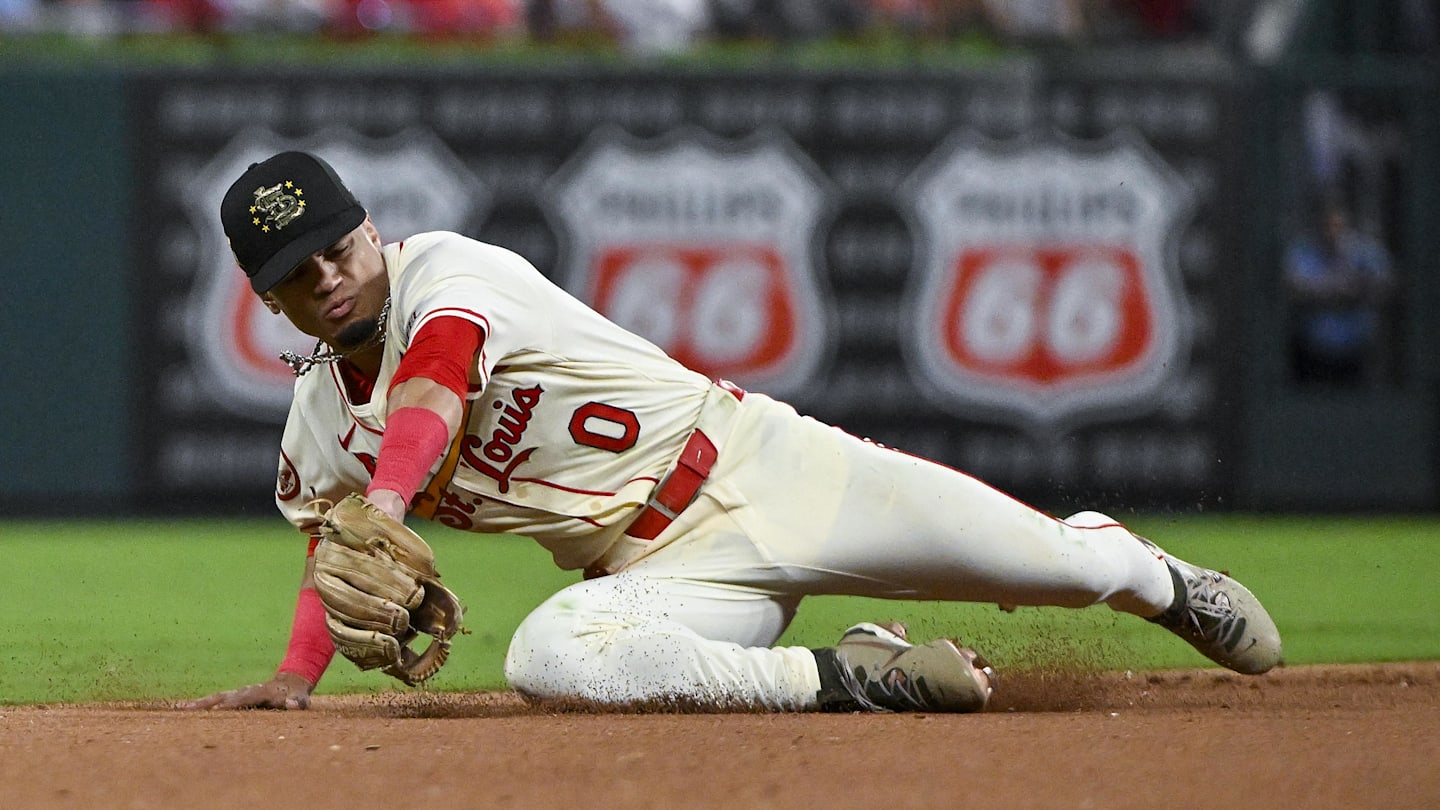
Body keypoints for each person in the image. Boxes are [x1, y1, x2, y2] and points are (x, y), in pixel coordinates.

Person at [181, 151, 1281, 713]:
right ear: (266, 300)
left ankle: (1142, 568)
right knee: (549, 655)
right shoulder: (319, 420)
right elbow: (332, 556)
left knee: (1061, 566)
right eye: (296, 274)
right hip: (661, 568)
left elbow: (431, 385)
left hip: (766, 465)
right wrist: (297, 673)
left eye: (338, 247)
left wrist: (385, 501)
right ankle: (853, 680)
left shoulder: (450, 271)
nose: (329, 277)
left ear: (372, 228)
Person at [1283, 193, 1396, 386]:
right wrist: (1332, 289)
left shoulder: (1365, 251)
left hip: (1357, 352)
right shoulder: (1304, 251)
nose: (1333, 233)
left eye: (1338, 226)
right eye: (1328, 226)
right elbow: (1294, 285)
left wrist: (1354, 288)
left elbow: (1386, 284)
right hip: (1312, 352)